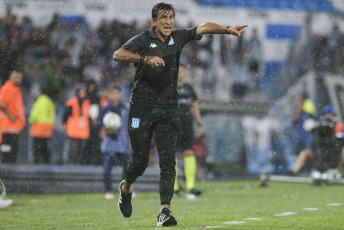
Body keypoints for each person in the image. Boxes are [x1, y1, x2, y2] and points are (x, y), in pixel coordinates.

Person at [113, 2, 247, 226]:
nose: (168, 21)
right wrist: (144, 59)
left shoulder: (179, 37)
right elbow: (118, 54)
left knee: (168, 161)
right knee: (140, 162)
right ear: (153, 22)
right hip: (141, 107)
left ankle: (164, 211)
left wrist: (227, 29)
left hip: (168, 108)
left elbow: (202, 27)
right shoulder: (143, 39)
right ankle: (126, 187)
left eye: (171, 17)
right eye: (163, 17)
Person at [174, 64, 203, 199]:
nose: (180, 73)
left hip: (187, 126)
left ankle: (190, 186)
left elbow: (195, 107)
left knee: (189, 153)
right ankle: (174, 188)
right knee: (171, 155)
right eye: (178, 71)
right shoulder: (169, 87)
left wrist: (199, 124)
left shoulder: (189, 88)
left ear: (185, 73)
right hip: (172, 126)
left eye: (182, 71)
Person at [96, 85, 130, 200]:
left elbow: (132, 124)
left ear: (121, 95)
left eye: (117, 93)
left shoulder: (125, 109)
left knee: (128, 167)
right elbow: (99, 127)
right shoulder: (105, 109)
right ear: (108, 95)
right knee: (107, 169)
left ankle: (125, 189)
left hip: (123, 144)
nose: (115, 96)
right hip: (109, 144)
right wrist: (107, 131)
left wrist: (132, 138)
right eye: (113, 93)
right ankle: (108, 190)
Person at [291, 105, 344, 176]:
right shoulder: (319, 125)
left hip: (332, 152)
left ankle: (335, 170)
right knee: (304, 152)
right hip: (319, 151)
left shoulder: (338, 126)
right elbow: (313, 139)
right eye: (326, 114)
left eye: (329, 113)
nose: (328, 115)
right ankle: (295, 171)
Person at [0, 71, 26, 163]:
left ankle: (9, 172)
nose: (18, 79)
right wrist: (11, 116)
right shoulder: (7, 89)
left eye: (19, 77)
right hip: (7, 126)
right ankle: (6, 172)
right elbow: (2, 104)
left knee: (12, 151)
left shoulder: (15, 89)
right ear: (10, 77)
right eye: (16, 77)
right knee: (7, 150)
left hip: (14, 127)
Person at [62, 83, 90, 164]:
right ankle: (71, 171)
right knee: (72, 154)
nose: (82, 93)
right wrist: (67, 127)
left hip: (83, 133)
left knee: (80, 155)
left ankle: (78, 171)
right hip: (73, 133)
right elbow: (64, 118)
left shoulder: (87, 103)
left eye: (83, 91)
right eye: (80, 91)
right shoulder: (71, 103)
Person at [28, 86, 56, 163]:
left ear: (40, 92)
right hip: (47, 130)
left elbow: (34, 115)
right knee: (46, 150)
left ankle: (36, 167)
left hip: (38, 130)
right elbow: (53, 115)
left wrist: (31, 120)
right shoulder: (50, 102)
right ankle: (47, 167)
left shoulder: (39, 101)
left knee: (36, 150)